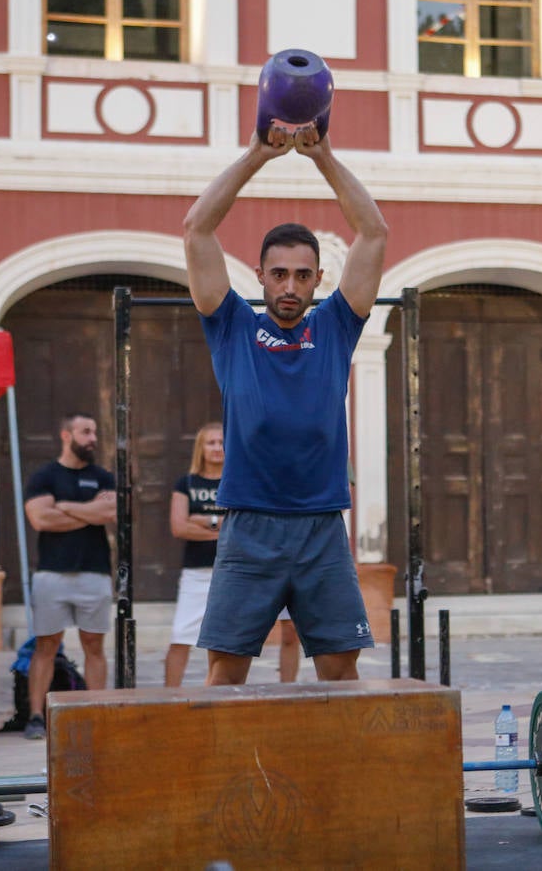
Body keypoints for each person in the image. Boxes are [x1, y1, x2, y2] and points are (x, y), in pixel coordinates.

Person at [182, 120, 387, 686]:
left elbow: (373, 233)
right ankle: (225, 777)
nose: (290, 286)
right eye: (279, 275)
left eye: (302, 275)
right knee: (225, 671)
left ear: (319, 278)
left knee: (341, 670)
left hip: (321, 525)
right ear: (261, 277)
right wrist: (256, 155)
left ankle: (338, 778)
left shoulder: (338, 326)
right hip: (249, 525)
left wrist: (322, 155)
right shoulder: (232, 328)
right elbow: (198, 229)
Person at [21, 412, 116, 740]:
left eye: (94, 432)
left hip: (95, 572)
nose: (92, 438)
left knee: (94, 644)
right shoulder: (44, 476)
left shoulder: (103, 477)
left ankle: (96, 710)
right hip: (52, 574)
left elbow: (109, 512)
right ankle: (36, 716)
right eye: (85, 431)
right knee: (46, 645)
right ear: (67, 435)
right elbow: (40, 520)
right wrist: (87, 512)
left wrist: (63, 506)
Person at [164, 423, 227, 687]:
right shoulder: (186, 483)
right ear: (200, 448)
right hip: (196, 572)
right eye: (210, 443)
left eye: (221, 442)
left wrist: (201, 519)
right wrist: (221, 526)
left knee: (224, 641)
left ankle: (213, 693)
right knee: (181, 636)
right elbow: (179, 527)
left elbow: (243, 524)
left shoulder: (237, 481)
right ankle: (169, 698)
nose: (216, 448)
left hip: (230, 571)